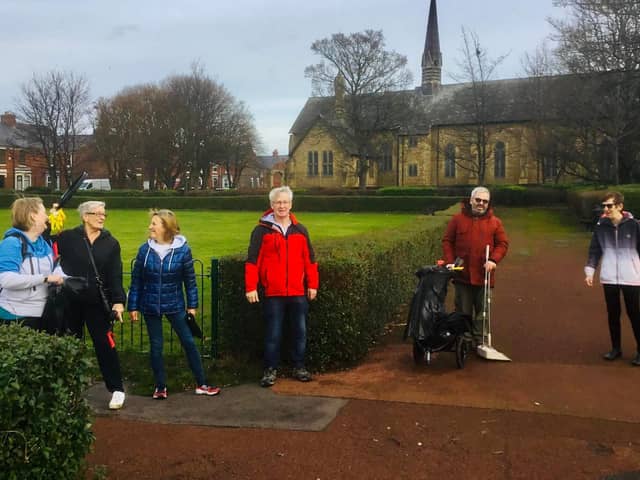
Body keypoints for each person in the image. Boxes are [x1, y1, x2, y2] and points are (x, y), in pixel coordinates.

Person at [128, 209, 220, 399]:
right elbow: (136, 280)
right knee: (156, 345)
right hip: (150, 304)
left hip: (175, 304)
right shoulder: (144, 250)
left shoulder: (183, 250)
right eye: (151, 223)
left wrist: (192, 306)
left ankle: (201, 383)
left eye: (154, 224)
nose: (150, 227)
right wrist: (133, 306)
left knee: (188, 341)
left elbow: (190, 280)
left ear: (166, 227)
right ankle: (160, 387)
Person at [245, 186, 319, 387]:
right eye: (278, 202)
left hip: (297, 291)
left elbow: (310, 260)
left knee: (300, 331)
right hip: (273, 292)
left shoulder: (300, 230)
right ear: (271, 205)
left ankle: (299, 366)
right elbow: (252, 261)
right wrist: (251, 287)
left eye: (285, 202)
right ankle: (270, 369)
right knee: (273, 333)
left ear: (291, 204)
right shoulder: (261, 231)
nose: (282, 206)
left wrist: (312, 284)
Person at [56, 201, 127, 410]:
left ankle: (116, 389)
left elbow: (115, 274)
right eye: (97, 214)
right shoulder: (68, 238)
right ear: (85, 216)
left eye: (104, 214)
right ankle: (71, 387)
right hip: (71, 300)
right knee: (71, 344)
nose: (102, 217)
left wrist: (118, 302)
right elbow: (44, 239)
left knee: (105, 345)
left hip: (98, 303)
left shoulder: (111, 243)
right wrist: (53, 215)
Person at [442, 186, 509, 344]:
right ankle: (464, 340)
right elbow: (447, 241)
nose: (481, 204)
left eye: (485, 201)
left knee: (483, 311)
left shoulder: (495, 223)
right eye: (478, 200)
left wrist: (493, 260)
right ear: (471, 200)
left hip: (484, 276)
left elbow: (502, 244)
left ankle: (480, 340)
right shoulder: (457, 220)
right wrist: (450, 262)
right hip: (462, 275)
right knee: (463, 311)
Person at [584, 191, 640, 366]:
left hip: (631, 277)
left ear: (620, 206)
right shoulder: (601, 226)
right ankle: (616, 348)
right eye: (604, 206)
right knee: (613, 314)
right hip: (609, 277)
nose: (606, 209)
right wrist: (590, 271)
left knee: (635, 314)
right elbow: (595, 250)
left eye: (609, 205)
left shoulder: (635, 226)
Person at [0, 197, 64, 328]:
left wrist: (62, 277)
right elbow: (6, 279)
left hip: (44, 312)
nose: (47, 216)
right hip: (16, 316)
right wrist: (44, 278)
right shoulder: (12, 243)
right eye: (43, 213)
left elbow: (55, 267)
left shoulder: (44, 243)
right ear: (33, 216)